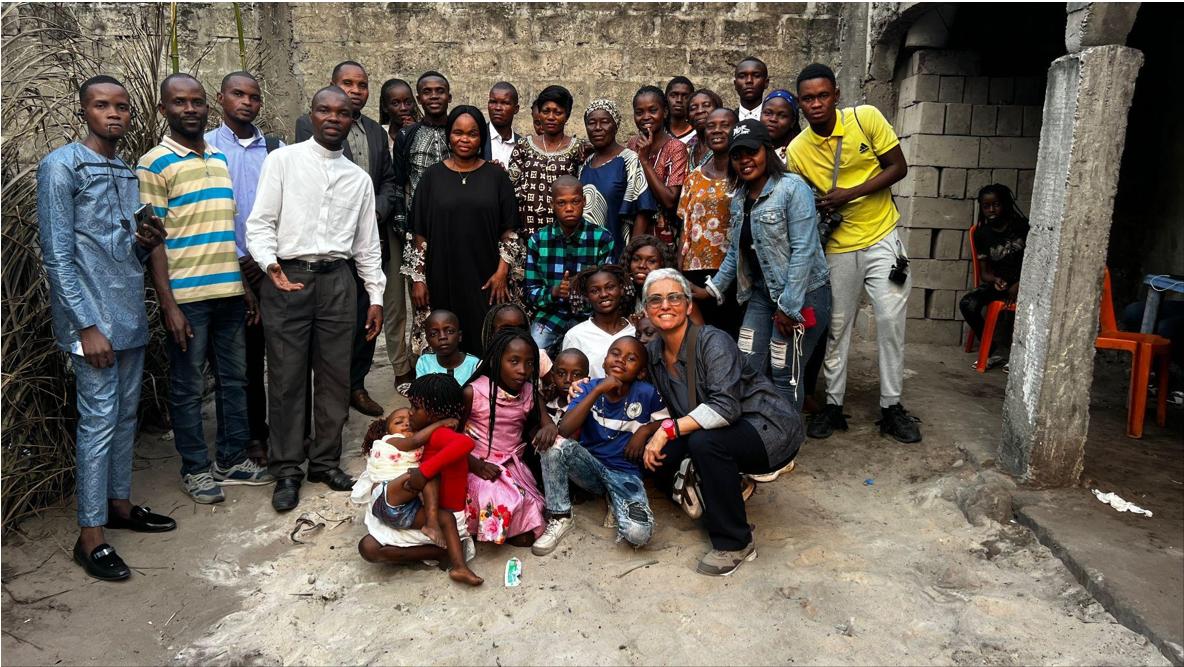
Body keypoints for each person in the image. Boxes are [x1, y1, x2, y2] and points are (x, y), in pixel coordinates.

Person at [39, 75, 173, 581]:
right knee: (97, 423)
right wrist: (85, 326)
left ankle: (119, 505)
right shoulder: (62, 166)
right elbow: (57, 256)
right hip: (91, 323)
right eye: (101, 105)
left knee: (123, 419)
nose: (113, 114)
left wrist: (144, 242)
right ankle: (90, 535)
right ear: (84, 112)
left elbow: (123, 254)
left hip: (129, 318)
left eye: (120, 107)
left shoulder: (123, 170)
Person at [246, 86, 386, 512]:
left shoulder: (358, 179)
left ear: (351, 120)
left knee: (334, 377)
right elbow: (259, 224)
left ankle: (324, 461)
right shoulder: (283, 162)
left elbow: (367, 246)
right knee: (287, 379)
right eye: (324, 110)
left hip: (338, 283)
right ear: (312, 115)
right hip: (288, 277)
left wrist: (376, 296)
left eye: (342, 113)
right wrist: (271, 266)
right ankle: (287, 469)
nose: (333, 118)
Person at [138, 73, 272, 504]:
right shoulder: (154, 163)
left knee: (234, 381)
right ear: (165, 110)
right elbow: (153, 239)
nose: (190, 109)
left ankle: (231, 458)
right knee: (188, 386)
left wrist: (245, 289)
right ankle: (195, 467)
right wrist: (168, 303)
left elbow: (222, 231)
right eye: (179, 102)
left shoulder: (217, 159)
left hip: (229, 293)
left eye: (196, 102)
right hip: (187, 298)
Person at [786, 63, 919, 443]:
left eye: (822, 96)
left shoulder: (866, 118)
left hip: (881, 236)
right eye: (808, 98)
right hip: (837, 247)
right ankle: (833, 405)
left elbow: (899, 167)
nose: (816, 104)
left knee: (890, 322)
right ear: (800, 103)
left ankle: (892, 407)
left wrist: (850, 193)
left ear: (836, 95)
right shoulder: (798, 151)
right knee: (837, 327)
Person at [640, 268, 803, 576]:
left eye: (675, 297)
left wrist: (668, 430)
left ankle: (736, 543)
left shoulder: (713, 341)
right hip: (715, 427)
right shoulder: (653, 353)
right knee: (656, 457)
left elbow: (726, 407)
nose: (665, 305)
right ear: (646, 309)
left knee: (705, 443)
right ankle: (718, 483)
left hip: (767, 427)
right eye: (656, 299)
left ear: (689, 306)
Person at [295, 61, 401, 414]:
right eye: (348, 84)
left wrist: (376, 211)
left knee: (366, 318)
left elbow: (388, 180)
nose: (356, 91)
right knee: (327, 328)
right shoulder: (307, 127)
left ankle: (356, 386)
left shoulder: (374, 131)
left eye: (362, 85)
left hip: (369, 243)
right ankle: (327, 395)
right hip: (327, 247)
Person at [704, 119, 831, 411]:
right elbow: (737, 254)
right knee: (746, 364)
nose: (745, 160)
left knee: (785, 371)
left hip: (804, 295)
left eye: (752, 151)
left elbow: (804, 249)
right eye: (737, 155)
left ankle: (785, 445)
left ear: (768, 150)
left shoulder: (792, 188)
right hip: (762, 295)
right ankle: (760, 433)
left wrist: (789, 308)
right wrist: (711, 290)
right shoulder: (739, 198)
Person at [205, 70, 279, 466]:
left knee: (276, 354)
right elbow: (208, 213)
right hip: (226, 265)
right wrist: (241, 259)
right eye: (238, 94)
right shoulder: (207, 149)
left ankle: (276, 431)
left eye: (253, 96)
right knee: (240, 360)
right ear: (221, 98)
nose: (246, 102)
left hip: (272, 266)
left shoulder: (275, 149)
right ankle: (249, 436)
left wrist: (267, 259)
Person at [534, 336, 666, 555]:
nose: (621, 360)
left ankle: (615, 499)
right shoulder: (588, 388)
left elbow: (668, 421)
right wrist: (597, 390)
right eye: (615, 354)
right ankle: (561, 516)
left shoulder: (646, 392)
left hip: (626, 474)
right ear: (604, 362)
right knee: (554, 445)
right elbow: (564, 430)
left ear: (641, 372)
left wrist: (644, 431)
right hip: (591, 468)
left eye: (631, 358)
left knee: (637, 534)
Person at [407, 105, 518, 356]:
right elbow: (418, 235)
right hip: (441, 275)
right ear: (449, 135)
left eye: (472, 133)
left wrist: (501, 273)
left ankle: (480, 392)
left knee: (483, 336)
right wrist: (419, 279)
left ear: (481, 138)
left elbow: (509, 232)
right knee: (445, 337)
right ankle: (445, 392)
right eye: (458, 132)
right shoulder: (432, 177)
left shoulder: (496, 177)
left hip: (486, 277)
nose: (464, 139)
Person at [356, 374, 482, 586]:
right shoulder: (424, 435)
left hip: (443, 516)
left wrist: (424, 472)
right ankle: (445, 552)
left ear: (434, 413)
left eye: (415, 408)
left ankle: (445, 553)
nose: (411, 413)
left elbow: (464, 444)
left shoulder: (439, 434)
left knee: (369, 547)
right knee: (368, 546)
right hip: (423, 510)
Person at [462, 328, 553, 546]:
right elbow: (450, 436)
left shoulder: (529, 391)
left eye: (529, 363)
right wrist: (474, 464)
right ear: (495, 360)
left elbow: (545, 420)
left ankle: (501, 531)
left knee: (530, 514)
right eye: (514, 361)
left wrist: (549, 426)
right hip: (475, 464)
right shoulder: (474, 392)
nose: (523, 370)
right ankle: (480, 530)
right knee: (492, 494)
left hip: (512, 467)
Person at [395, 71, 454, 359]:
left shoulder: (459, 131)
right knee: (422, 300)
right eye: (427, 91)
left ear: (449, 96)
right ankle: (424, 365)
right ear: (419, 98)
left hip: (455, 231)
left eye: (439, 91)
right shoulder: (408, 135)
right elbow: (399, 181)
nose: (433, 96)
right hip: (418, 231)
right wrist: (402, 224)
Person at [525, 176, 616, 353]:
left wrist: (582, 293)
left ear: (584, 201)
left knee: (601, 355)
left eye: (575, 201)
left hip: (590, 316)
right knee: (533, 353)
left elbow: (610, 289)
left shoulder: (602, 238)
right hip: (551, 315)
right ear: (552, 204)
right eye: (561, 203)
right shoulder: (538, 240)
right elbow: (530, 292)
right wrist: (554, 292)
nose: (569, 208)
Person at [679, 107, 740, 336]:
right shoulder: (694, 177)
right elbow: (684, 228)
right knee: (702, 336)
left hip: (733, 269)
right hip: (695, 269)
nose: (717, 130)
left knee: (733, 334)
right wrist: (680, 272)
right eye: (711, 125)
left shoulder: (744, 173)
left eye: (725, 125)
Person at [959, 184, 1030, 365]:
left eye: (996, 205)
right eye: (986, 206)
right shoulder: (982, 234)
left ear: (1005, 204)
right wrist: (996, 280)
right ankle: (990, 348)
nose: (991, 210)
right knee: (968, 304)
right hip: (1002, 285)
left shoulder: (1021, 226)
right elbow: (985, 274)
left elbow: (1037, 262)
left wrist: (1021, 283)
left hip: (1026, 285)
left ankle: (1021, 358)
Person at [508, 85, 589, 239]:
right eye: (546, 111)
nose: (551, 117)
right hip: (527, 232)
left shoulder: (578, 148)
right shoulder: (524, 146)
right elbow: (511, 188)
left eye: (558, 112)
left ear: (567, 116)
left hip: (565, 233)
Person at [578, 98, 655, 254]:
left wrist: (630, 254)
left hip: (616, 251)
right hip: (587, 252)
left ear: (615, 126)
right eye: (591, 123)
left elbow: (642, 209)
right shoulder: (586, 164)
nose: (597, 128)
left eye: (605, 122)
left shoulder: (629, 160)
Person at [627, 86, 689, 246]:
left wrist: (645, 161)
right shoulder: (633, 144)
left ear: (665, 112)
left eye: (653, 110)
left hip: (662, 236)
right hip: (632, 230)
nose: (646, 117)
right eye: (639, 112)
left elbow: (669, 200)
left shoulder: (675, 147)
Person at [562, 265, 637, 380]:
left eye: (610, 287)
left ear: (621, 289)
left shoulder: (636, 332)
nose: (603, 294)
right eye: (595, 290)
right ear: (586, 296)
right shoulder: (576, 336)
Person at [416, 309, 481, 384]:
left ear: (459, 336)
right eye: (434, 334)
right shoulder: (424, 363)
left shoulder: (474, 365)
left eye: (450, 331)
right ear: (428, 340)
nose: (442, 337)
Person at [621, 234, 676, 319]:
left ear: (663, 265)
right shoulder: (625, 295)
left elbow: (700, 331)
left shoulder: (675, 298)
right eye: (636, 259)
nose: (642, 265)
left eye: (651, 261)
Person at [484, 81, 521, 168]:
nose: (498, 108)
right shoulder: (478, 138)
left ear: (516, 109)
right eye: (493, 102)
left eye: (505, 103)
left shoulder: (522, 145)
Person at [379, 77, 420, 154]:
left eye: (408, 102)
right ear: (385, 107)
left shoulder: (422, 133)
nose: (403, 108)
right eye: (395, 103)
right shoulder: (378, 135)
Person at [685, 88, 723, 168]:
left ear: (718, 110)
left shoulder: (725, 147)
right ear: (688, 117)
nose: (699, 111)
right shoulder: (687, 149)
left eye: (706, 105)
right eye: (693, 108)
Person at [761, 89, 800, 162]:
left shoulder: (798, 152)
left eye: (782, 116)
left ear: (793, 121)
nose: (773, 119)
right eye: (768, 113)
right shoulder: (752, 147)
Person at [735, 56, 770, 122]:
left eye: (756, 76)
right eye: (742, 76)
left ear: (766, 83)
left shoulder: (773, 122)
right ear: (735, 84)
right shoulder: (729, 121)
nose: (749, 81)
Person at [666, 76, 696, 145]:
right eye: (673, 95)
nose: (679, 100)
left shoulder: (697, 135)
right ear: (666, 98)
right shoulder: (659, 132)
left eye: (685, 96)